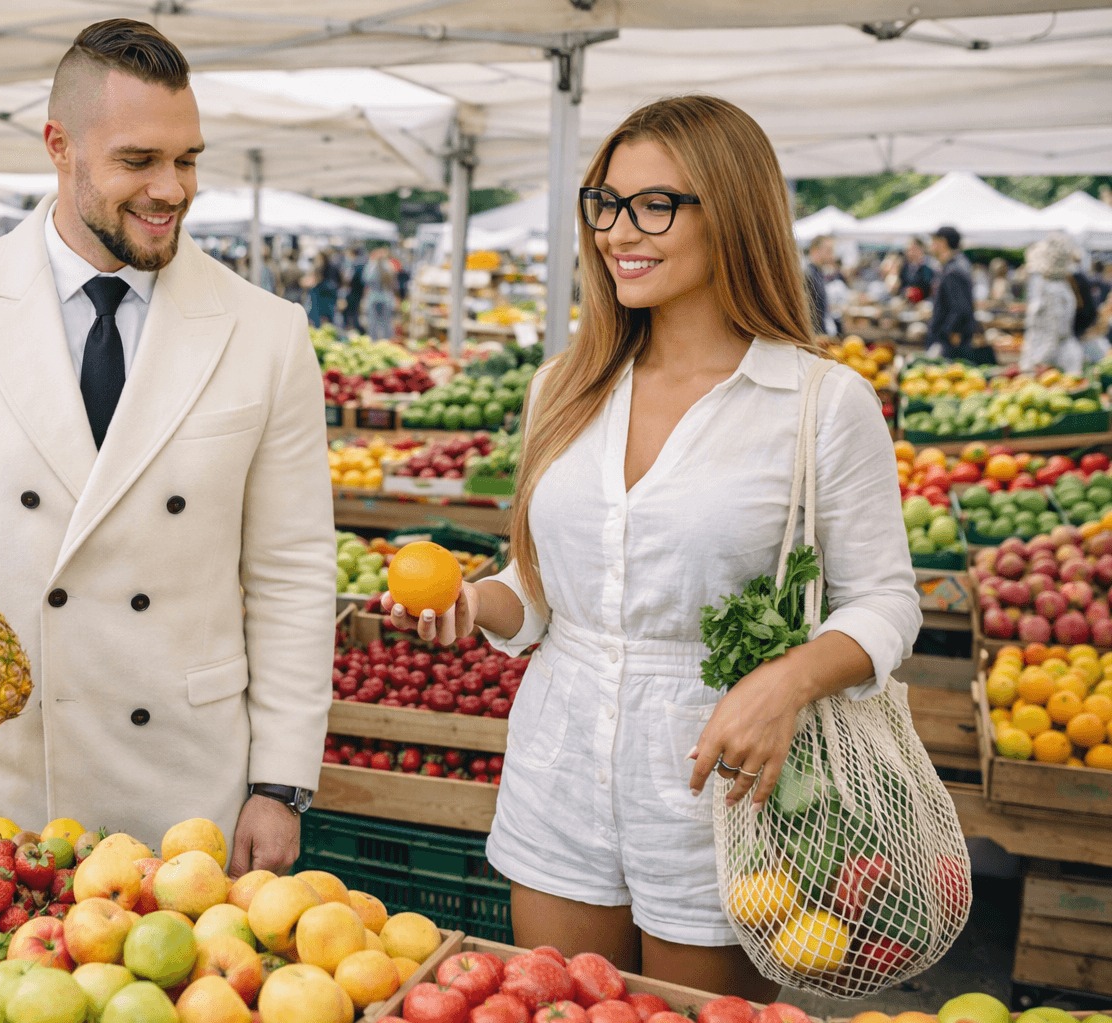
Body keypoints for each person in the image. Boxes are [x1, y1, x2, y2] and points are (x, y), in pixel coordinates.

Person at [382, 95, 920, 999]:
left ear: (734, 211)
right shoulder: (565, 384)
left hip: (728, 782)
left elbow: (887, 598)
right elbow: (544, 585)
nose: (617, 232)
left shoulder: (818, 404)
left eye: (655, 205)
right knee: (549, 1007)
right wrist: (477, 604)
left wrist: (784, 681)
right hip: (561, 763)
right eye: (605, 203)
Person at [0, 18, 334, 872]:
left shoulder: (267, 332)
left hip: (183, 791)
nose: (171, 189)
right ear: (59, 147)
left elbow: (292, 570)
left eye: (188, 160)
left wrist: (281, 783)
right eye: (139, 161)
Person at [1020, 235, 1084, 373]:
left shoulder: (1052, 290)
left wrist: (1034, 364)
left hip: (1053, 364)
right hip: (1059, 359)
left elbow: (1053, 334)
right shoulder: (1059, 286)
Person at [925, 226, 985, 363]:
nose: (931, 245)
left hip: (951, 342)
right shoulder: (956, 265)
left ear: (943, 242)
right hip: (952, 338)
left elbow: (960, 308)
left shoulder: (954, 270)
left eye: (934, 241)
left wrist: (950, 331)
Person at [361, 246, 397, 341]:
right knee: (386, 322)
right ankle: (386, 341)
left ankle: (374, 342)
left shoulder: (371, 266)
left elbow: (365, 280)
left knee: (373, 322)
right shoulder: (389, 266)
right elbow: (393, 283)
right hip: (386, 298)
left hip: (374, 297)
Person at [803, 235, 834, 337]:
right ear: (815, 250)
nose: (831, 255)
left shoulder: (818, 273)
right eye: (828, 250)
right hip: (813, 335)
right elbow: (807, 308)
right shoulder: (808, 274)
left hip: (819, 333)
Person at [307, 250, 340, 327]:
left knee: (319, 317)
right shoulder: (332, 267)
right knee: (327, 317)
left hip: (321, 296)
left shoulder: (320, 268)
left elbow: (315, 281)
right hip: (327, 297)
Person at [899, 237, 935, 303]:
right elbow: (902, 284)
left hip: (925, 302)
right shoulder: (904, 266)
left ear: (921, 249)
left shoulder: (930, 266)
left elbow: (931, 286)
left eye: (913, 249)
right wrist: (906, 291)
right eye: (908, 250)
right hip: (907, 301)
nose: (910, 253)